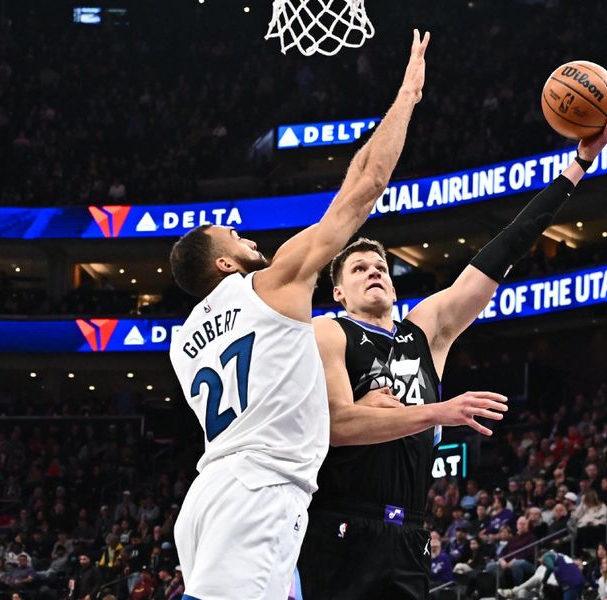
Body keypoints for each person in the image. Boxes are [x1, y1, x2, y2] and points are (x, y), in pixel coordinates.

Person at [298, 96, 607, 600]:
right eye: (359, 270)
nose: (374, 273)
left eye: (381, 268)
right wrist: (437, 411)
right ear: (338, 292)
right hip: (343, 523)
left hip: (411, 530)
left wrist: (579, 165)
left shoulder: (423, 330)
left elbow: (506, 247)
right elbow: (340, 427)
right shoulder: (329, 331)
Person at [167, 29, 431, 600]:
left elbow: (272, 386)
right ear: (221, 261)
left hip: (213, 493)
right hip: (261, 493)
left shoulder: (184, 342)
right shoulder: (271, 285)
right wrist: (406, 97)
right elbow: (365, 187)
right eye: (232, 235)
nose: (244, 237)